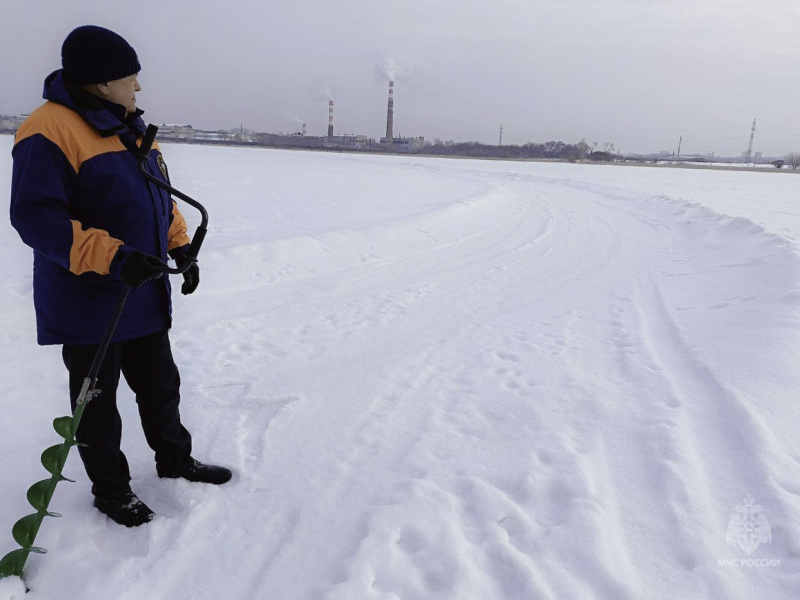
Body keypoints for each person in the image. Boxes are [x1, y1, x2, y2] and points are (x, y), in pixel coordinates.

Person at [9, 25, 232, 527]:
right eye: (131, 77)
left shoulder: (128, 126)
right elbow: (35, 216)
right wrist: (112, 257)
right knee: (97, 404)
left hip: (144, 289)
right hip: (90, 299)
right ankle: (111, 490)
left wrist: (181, 247)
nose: (139, 87)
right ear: (100, 81)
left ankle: (174, 460)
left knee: (160, 385)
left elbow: (158, 198)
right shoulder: (49, 129)